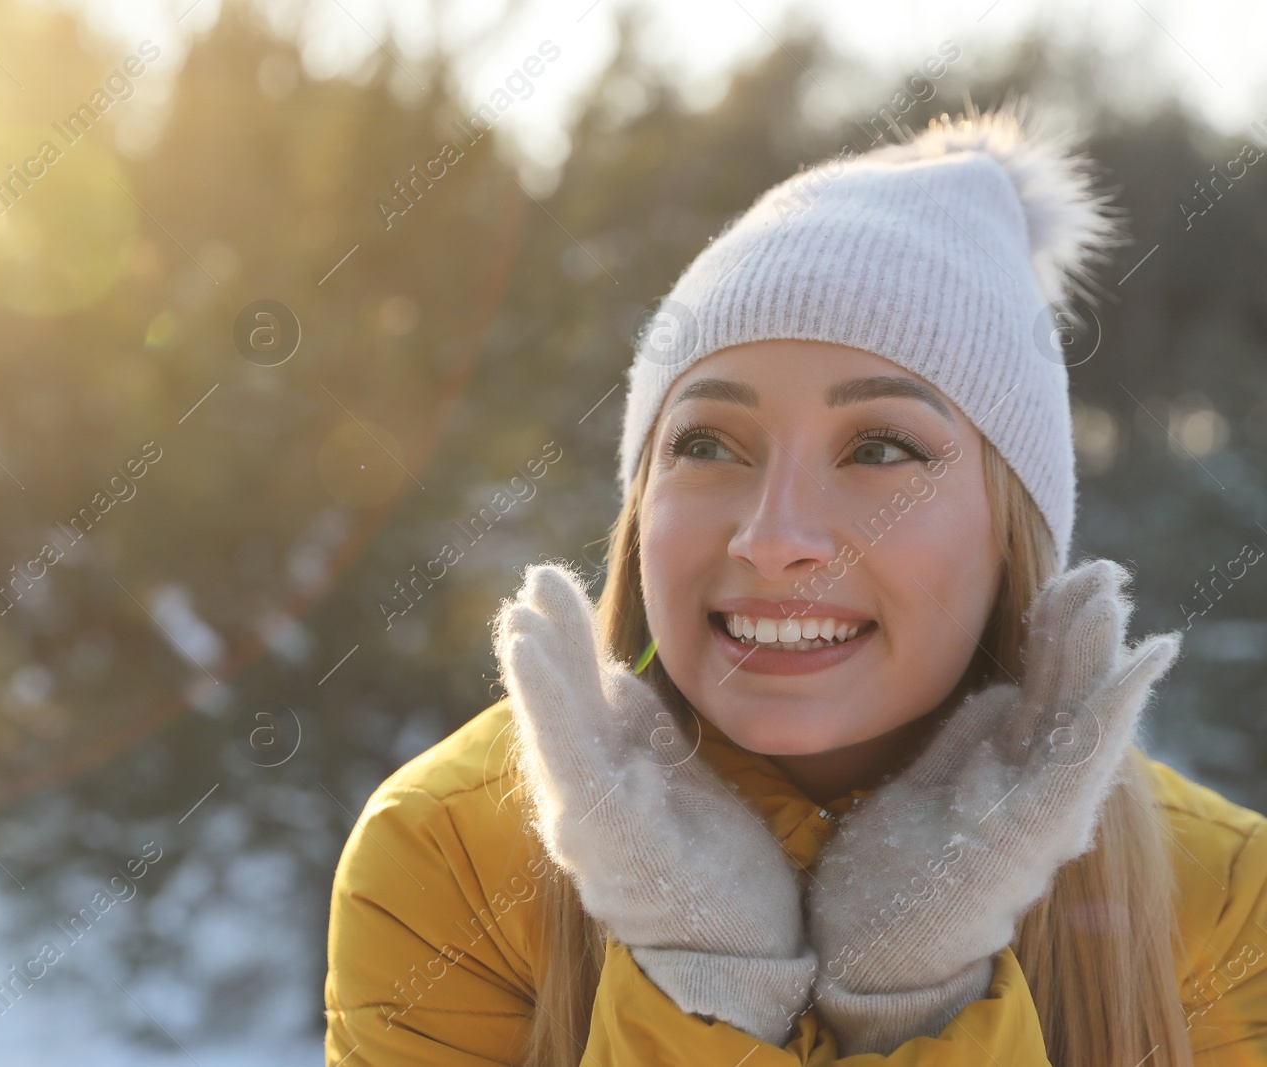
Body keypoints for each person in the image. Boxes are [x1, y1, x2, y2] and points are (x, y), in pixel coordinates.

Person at [323, 101, 1267, 1066]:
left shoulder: (1229, 903)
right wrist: (704, 979)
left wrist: (923, 993)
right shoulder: (449, 853)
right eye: (706, 444)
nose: (775, 537)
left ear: (1013, 530)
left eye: (881, 447)